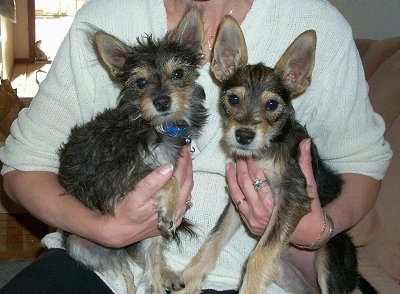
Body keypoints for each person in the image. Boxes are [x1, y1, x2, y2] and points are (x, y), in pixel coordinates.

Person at [0, 0, 392, 293]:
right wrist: (104, 229)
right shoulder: (106, 15)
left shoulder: (316, 22)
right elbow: (22, 166)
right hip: (102, 265)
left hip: (264, 278)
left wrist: (318, 229)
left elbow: (364, 166)